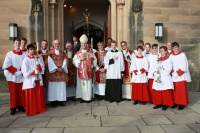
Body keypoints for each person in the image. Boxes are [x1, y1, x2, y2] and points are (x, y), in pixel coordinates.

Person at [2, 38, 26, 115]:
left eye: (19, 43)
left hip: (21, 76)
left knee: (21, 92)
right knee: (13, 93)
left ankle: (21, 106)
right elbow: (7, 65)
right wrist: (16, 71)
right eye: (16, 43)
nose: (17, 45)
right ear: (13, 44)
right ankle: (13, 107)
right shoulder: (10, 54)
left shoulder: (24, 54)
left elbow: (26, 64)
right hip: (12, 76)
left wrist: (21, 71)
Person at [21, 44, 46, 116]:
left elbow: (42, 68)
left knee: (38, 95)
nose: (32, 51)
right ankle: (32, 110)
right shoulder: (26, 60)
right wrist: (33, 72)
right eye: (31, 49)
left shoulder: (37, 58)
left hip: (37, 79)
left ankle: (39, 109)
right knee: (32, 96)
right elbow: (25, 72)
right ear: (28, 50)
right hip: (30, 80)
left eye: (33, 49)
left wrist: (39, 66)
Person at [73, 34, 97, 103]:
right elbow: (74, 61)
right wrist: (79, 60)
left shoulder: (90, 52)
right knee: (82, 84)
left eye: (85, 43)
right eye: (82, 43)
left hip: (88, 71)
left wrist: (92, 61)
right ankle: (82, 97)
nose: (84, 45)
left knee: (88, 84)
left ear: (87, 44)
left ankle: (88, 98)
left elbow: (95, 60)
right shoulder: (78, 53)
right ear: (80, 44)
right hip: (81, 71)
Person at [169, 42, 191, 110]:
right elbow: (169, 65)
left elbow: (184, 66)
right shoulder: (171, 56)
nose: (174, 49)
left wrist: (177, 73)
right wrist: (172, 73)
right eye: (173, 48)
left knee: (181, 91)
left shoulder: (182, 55)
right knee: (174, 90)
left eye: (176, 47)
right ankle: (175, 102)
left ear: (178, 47)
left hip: (181, 76)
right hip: (173, 75)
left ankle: (182, 103)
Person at [152, 46, 175, 110]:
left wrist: (162, 68)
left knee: (165, 91)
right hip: (158, 77)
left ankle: (165, 104)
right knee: (158, 91)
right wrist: (155, 73)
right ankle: (158, 103)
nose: (161, 52)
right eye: (160, 51)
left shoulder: (168, 60)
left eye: (163, 51)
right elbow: (153, 68)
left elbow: (169, 69)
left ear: (165, 52)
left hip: (165, 77)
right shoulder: (157, 60)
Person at [48, 40, 68, 107]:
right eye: (55, 44)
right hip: (54, 72)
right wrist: (56, 68)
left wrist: (62, 68)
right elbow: (49, 62)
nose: (57, 45)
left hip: (61, 71)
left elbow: (65, 61)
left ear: (59, 45)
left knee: (61, 86)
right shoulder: (50, 53)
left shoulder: (62, 53)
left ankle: (60, 100)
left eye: (58, 44)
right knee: (53, 87)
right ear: (53, 45)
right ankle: (53, 101)